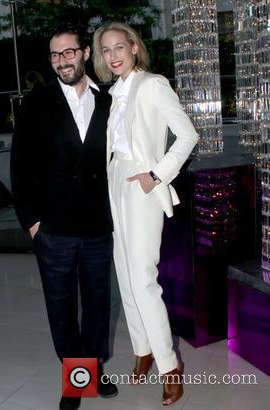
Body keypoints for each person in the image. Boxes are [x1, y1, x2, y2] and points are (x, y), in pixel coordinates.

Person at [10, 24, 118, 410]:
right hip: (53, 228)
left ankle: (93, 368)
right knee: (61, 307)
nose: (62, 62)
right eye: (55, 55)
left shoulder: (108, 100)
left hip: (97, 226)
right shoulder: (35, 103)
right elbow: (19, 166)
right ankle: (77, 379)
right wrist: (32, 221)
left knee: (97, 305)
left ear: (85, 53)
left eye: (69, 53)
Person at [93, 22, 199, 406]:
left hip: (143, 183)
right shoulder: (112, 92)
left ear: (134, 47)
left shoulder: (152, 84)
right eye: (106, 50)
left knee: (143, 277)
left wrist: (156, 175)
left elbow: (188, 135)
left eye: (119, 47)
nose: (113, 55)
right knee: (124, 274)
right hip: (114, 181)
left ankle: (170, 366)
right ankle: (143, 350)